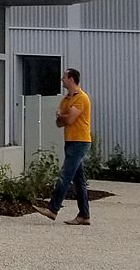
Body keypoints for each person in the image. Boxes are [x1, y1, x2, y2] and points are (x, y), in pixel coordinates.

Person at [35, 68, 92, 225]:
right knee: (79, 180)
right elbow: (59, 123)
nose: (62, 80)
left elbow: (69, 119)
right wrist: (62, 117)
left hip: (80, 142)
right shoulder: (66, 99)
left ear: (71, 79)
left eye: (64, 77)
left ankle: (53, 209)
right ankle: (84, 215)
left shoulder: (81, 98)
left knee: (65, 175)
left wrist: (62, 116)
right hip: (70, 140)